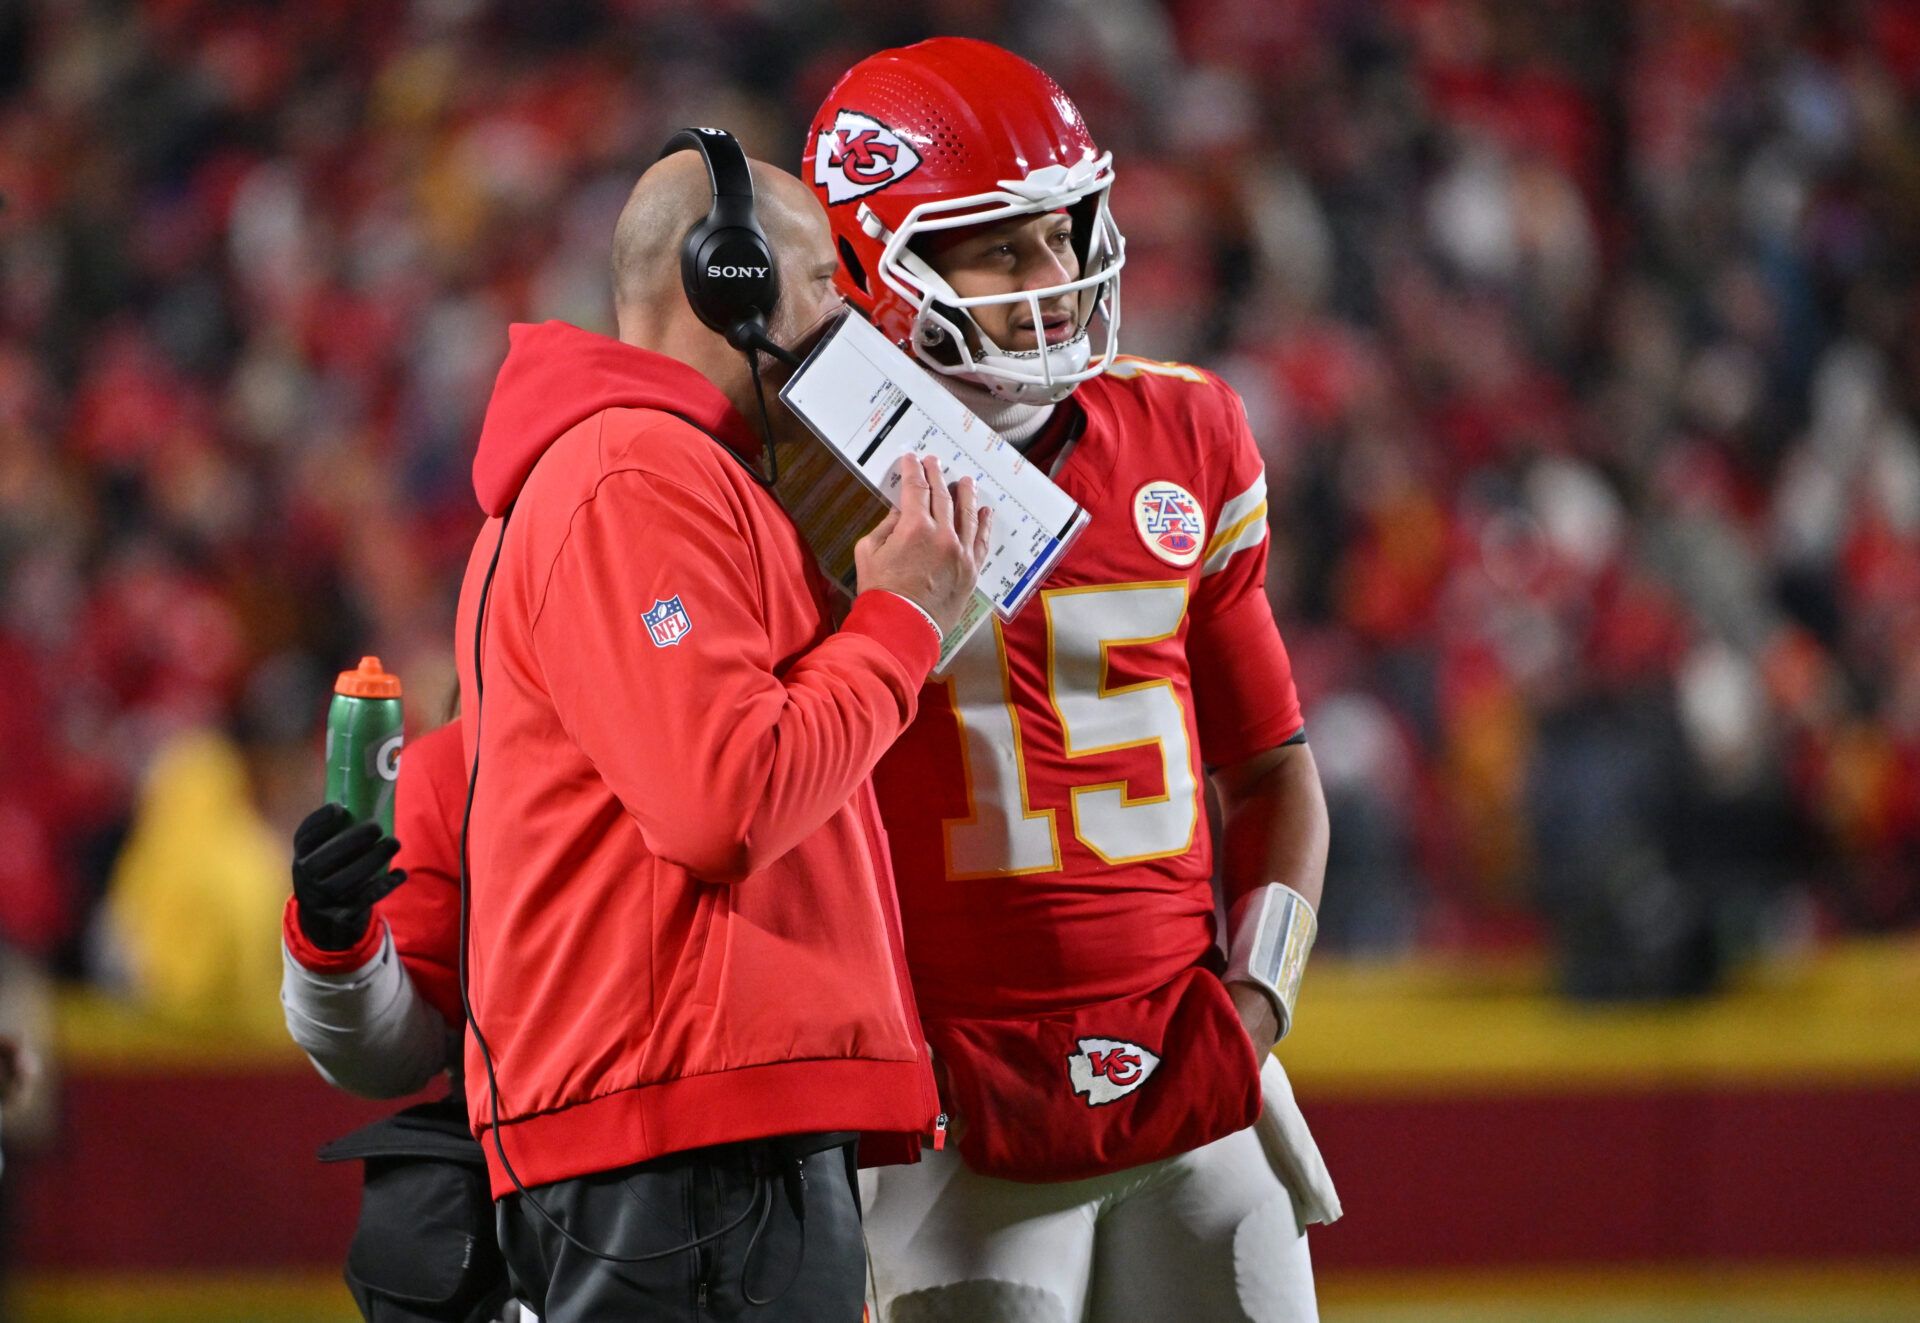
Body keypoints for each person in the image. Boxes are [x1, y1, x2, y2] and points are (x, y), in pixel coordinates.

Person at [803, 40, 1340, 1322]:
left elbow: (1272, 768)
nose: (1052, 277)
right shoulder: (794, 481)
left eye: (1065, 231)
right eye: (997, 246)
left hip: (1189, 1083)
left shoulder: (1187, 429)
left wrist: (1257, 1001)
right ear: (874, 264)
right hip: (947, 1112)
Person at [451, 138, 987, 1322]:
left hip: (683, 1126)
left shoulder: (655, 471)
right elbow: (724, 801)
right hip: (685, 1129)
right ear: (726, 280)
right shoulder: (633, 471)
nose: (849, 332)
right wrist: (900, 625)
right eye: (819, 290)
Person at [281, 718, 521, 1323]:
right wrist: (335, 940)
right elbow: (393, 1054)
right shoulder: (454, 765)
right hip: (535, 1197)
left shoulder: (784, 726)